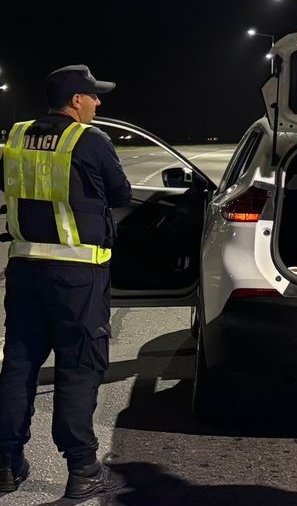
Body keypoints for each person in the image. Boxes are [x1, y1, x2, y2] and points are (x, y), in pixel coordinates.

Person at [0, 64, 132, 498]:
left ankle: (5, 464)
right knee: (79, 367)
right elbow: (121, 195)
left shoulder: (16, 136)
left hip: (24, 270)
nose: (98, 102)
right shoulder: (88, 140)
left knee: (19, 366)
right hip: (77, 276)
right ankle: (82, 468)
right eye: (94, 96)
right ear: (76, 100)